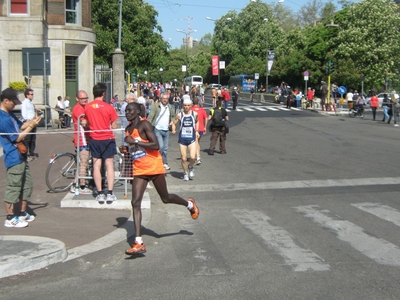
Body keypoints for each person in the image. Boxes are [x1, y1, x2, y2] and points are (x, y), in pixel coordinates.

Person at [124, 102, 199, 255]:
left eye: (131, 110)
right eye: (126, 110)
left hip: (153, 166)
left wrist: (136, 141)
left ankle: (189, 204)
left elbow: (155, 145)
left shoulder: (144, 125)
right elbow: (134, 148)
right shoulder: (127, 129)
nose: (127, 112)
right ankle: (138, 242)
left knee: (165, 198)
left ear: (138, 111)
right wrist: (126, 149)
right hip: (139, 169)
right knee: (135, 202)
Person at [0, 88, 41, 228]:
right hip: (13, 156)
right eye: (13, 102)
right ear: (5, 101)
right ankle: (10, 217)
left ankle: (22, 212)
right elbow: (17, 138)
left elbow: (20, 126)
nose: (15, 105)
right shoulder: (2, 118)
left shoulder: (10, 114)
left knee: (26, 185)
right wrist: (32, 127)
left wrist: (31, 122)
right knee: (13, 186)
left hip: (22, 155)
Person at [84, 83, 119, 204]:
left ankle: (99, 193)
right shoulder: (109, 107)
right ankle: (109, 192)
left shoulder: (88, 107)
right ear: (104, 93)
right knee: (109, 165)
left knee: (96, 165)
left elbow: (86, 122)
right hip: (107, 138)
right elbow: (114, 125)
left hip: (94, 138)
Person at [171, 98, 199, 181]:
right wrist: (173, 129)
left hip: (191, 139)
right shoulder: (180, 115)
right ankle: (185, 173)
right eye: (185, 105)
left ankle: (190, 167)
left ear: (190, 106)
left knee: (193, 157)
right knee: (183, 158)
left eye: (188, 105)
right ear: (183, 106)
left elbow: (197, 121)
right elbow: (174, 123)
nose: (186, 107)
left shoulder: (195, 114)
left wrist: (197, 131)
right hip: (182, 139)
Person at [71, 90, 92, 195]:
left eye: (86, 98)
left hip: (86, 138)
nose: (85, 100)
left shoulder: (85, 107)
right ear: (77, 99)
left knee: (83, 162)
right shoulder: (78, 109)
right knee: (83, 162)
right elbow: (84, 123)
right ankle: (81, 186)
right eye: (82, 98)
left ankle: (75, 183)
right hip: (81, 138)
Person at [148, 93, 176, 171]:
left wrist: (172, 121)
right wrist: (148, 127)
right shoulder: (156, 106)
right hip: (157, 129)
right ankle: (158, 162)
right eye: (163, 98)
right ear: (161, 99)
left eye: (166, 98)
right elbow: (150, 117)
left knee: (165, 149)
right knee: (161, 147)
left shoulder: (169, 107)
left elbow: (174, 116)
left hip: (166, 130)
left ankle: (165, 163)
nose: (165, 100)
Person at [21, 88, 41, 161]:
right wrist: (27, 120)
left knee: (33, 139)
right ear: (27, 95)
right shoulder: (24, 103)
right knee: (27, 139)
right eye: (31, 94)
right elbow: (24, 114)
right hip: (28, 122)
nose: (33, 96)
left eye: (33, 94)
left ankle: (31, 153)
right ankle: (25, 155)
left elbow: (32, 112)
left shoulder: (30, 103)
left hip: (33, 122)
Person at [190, 96, 208, 165]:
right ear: (198, 102)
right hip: (201, 128)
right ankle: (197, 156)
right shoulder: (202, 110)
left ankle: (197, 157)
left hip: (194, 129)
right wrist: (205, 127)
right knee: (197, 142)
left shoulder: (191, 110)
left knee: (195, 143)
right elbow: (206, 118)